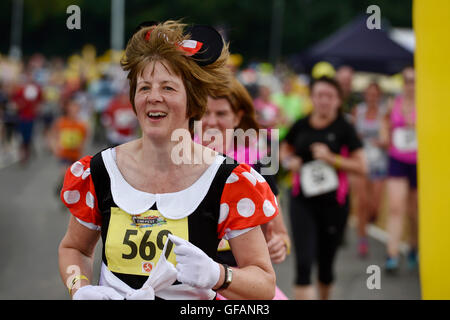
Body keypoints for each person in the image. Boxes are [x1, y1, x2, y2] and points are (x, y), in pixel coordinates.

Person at [58, 20, 278, 300]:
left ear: (193, 100)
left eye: (168, 88)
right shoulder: (100, 171)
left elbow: (264, 284)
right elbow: (74, 248)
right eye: (144, 87)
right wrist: (79, 287)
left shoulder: (227, 180)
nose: (154, 98)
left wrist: (218, 274)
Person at [199, 77, 291, 299]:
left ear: (238, 117)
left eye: (221, 114)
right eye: (205, 113)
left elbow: (281, 236)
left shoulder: (259, 165)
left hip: (238, 282)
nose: (211, 121)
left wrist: (279, 246)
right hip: (191, 282)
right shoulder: (179, 157)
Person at [280, 76, 365, 300]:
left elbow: (361, 166)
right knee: (303, 266)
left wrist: (332, 159)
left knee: (326, 268)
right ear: (312, 98)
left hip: (334, 205)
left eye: (329, 96)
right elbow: (284, 151)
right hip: (302, 201)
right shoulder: (301, 124)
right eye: (319, 95)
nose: (323, 101)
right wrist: (290, 162)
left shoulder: (345, 128)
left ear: (338, 100)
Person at [380, 66, 418, 273]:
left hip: (419, 164)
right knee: (395, 207)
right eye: (407, 80)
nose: (410, 84)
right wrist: (385, 134)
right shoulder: (394, 103)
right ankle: (392, 254)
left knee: (415, 211)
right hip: (397, 159)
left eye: (413, 80)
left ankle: (413, 245)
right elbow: (384, 123)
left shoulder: (426, 103)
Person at [352, 82, 388, 257]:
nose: (372, 97)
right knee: (362, 202)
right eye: (369, 94)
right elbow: (350, 136)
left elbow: (387, 139)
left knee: (375, 205)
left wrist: (380, 142)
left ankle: (371, 220)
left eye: (375, 94)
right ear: (365, 95)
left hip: (379, 163)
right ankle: (362, 239)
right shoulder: (358, 111)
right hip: (361, 162)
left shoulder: (383, 113)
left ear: (379, 96)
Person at [49, 98, 88, 198]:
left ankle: (64, 190)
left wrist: (81, 153)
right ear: (68, 109)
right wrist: (54, 147)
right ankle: (61, 190)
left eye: (76, 108)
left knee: (71, 178)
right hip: (63, 154)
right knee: (65, 172)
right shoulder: (61, 122)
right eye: (72, 108)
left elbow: (83, 140)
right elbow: (53, 135)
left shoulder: (82, 125)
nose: (74, 110)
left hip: (74, 155)